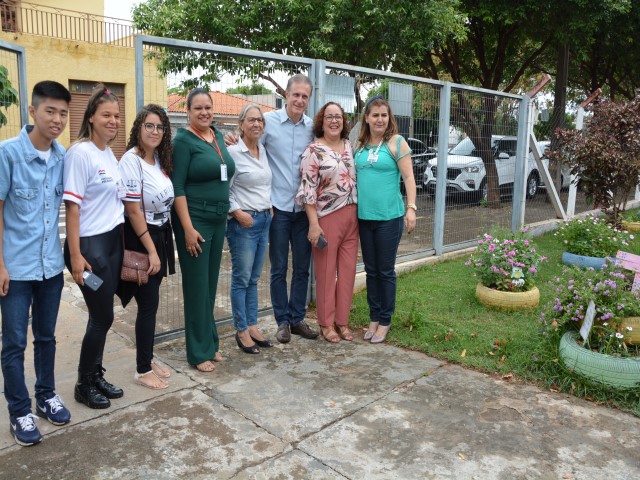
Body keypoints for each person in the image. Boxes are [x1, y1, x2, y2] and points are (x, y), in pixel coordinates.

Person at [0, 81, 72, 446]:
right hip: (15, 269)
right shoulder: (8, 154)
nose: (57, 119)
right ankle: (19, 411)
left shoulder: (62, 157)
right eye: (50, 111)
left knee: (46, 337)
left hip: (51, 268)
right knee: (14, 343)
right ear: (33, 111)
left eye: (63, 113)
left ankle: (45, 396)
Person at [226, 74, 319, 344]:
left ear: (308, 99)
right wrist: (232, 138)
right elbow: (249, 144)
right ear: (286, 95)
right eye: (295, 94)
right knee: (278, 268)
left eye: (304, 96)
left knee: (302, 268)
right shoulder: (268, 123)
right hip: (277, 210)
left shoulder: (312, 128)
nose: (299, 100)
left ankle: (297, 318)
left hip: (303, 210)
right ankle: (282, 322)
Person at [63, 85, 124, 409]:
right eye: (106, 115)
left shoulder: (108, 153)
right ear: (91, 117)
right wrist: (76, 256)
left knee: (104, 315)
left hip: (111, 244)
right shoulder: (80, 153)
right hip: (89, 250)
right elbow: (72, 208)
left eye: (116, 116)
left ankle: (95, 375)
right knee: (102, 316)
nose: (113, 121)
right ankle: (83, 384)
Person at [172, 88, 235, 372]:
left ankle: (210, 343)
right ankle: (198, 353)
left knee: (209, 286)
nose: (204, 112)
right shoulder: (182, 142)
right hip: (195, 221)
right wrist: (187, 228)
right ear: (187, 111)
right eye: (198, 108)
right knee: (197, 288)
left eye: (208, 107)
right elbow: (177, 186)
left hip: (218, 219)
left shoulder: (218, 136)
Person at [118, 104, 175, 389]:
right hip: (143, 237)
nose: (155, 131)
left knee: (151, 302)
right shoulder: (132, 160)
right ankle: (142, 370)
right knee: (148, 304)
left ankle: (148, 358)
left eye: (160, 127)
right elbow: (132, 210)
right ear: (138, 127)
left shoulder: (159, 159)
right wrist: (152, 250)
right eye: (149, 125)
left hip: (160, 233)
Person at [354, 95, 417, 344]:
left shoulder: (396, 142)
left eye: (384, 115)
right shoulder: (360, 145)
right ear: (367, 118)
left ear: (389, 117)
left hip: (389, 218)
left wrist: (411, 208)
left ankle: (385, 320)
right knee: (371, 271)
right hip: (364, 218)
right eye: (375, 115)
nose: (380, 119)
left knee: (385, 270)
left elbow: (409, 178)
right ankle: (374, 317)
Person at [296, 102, 358, 343]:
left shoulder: (349, 146)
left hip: (352, 218)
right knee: (325, 273)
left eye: (338, 117)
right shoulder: (313, 151)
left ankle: (342, 321)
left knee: (348, 272)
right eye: (329, 117)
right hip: (327, 218)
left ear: (343, 121)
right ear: (321, 122)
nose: (334, 121)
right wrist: (314, 224)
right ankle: (326, 323)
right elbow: (307, 190)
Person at [226, 104, 273, 354]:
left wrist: (269, 207)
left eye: (260, 121)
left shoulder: (262, 150)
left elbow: (264, 184)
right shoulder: (233, 152)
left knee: (254, 279)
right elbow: (224, 188)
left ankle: (253, 326)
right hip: (243, 223)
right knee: (241, 278)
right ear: (241, 124)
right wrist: (236, 212)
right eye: (251, 120)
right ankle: (241, 329)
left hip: (264, 220)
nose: (256, 124)